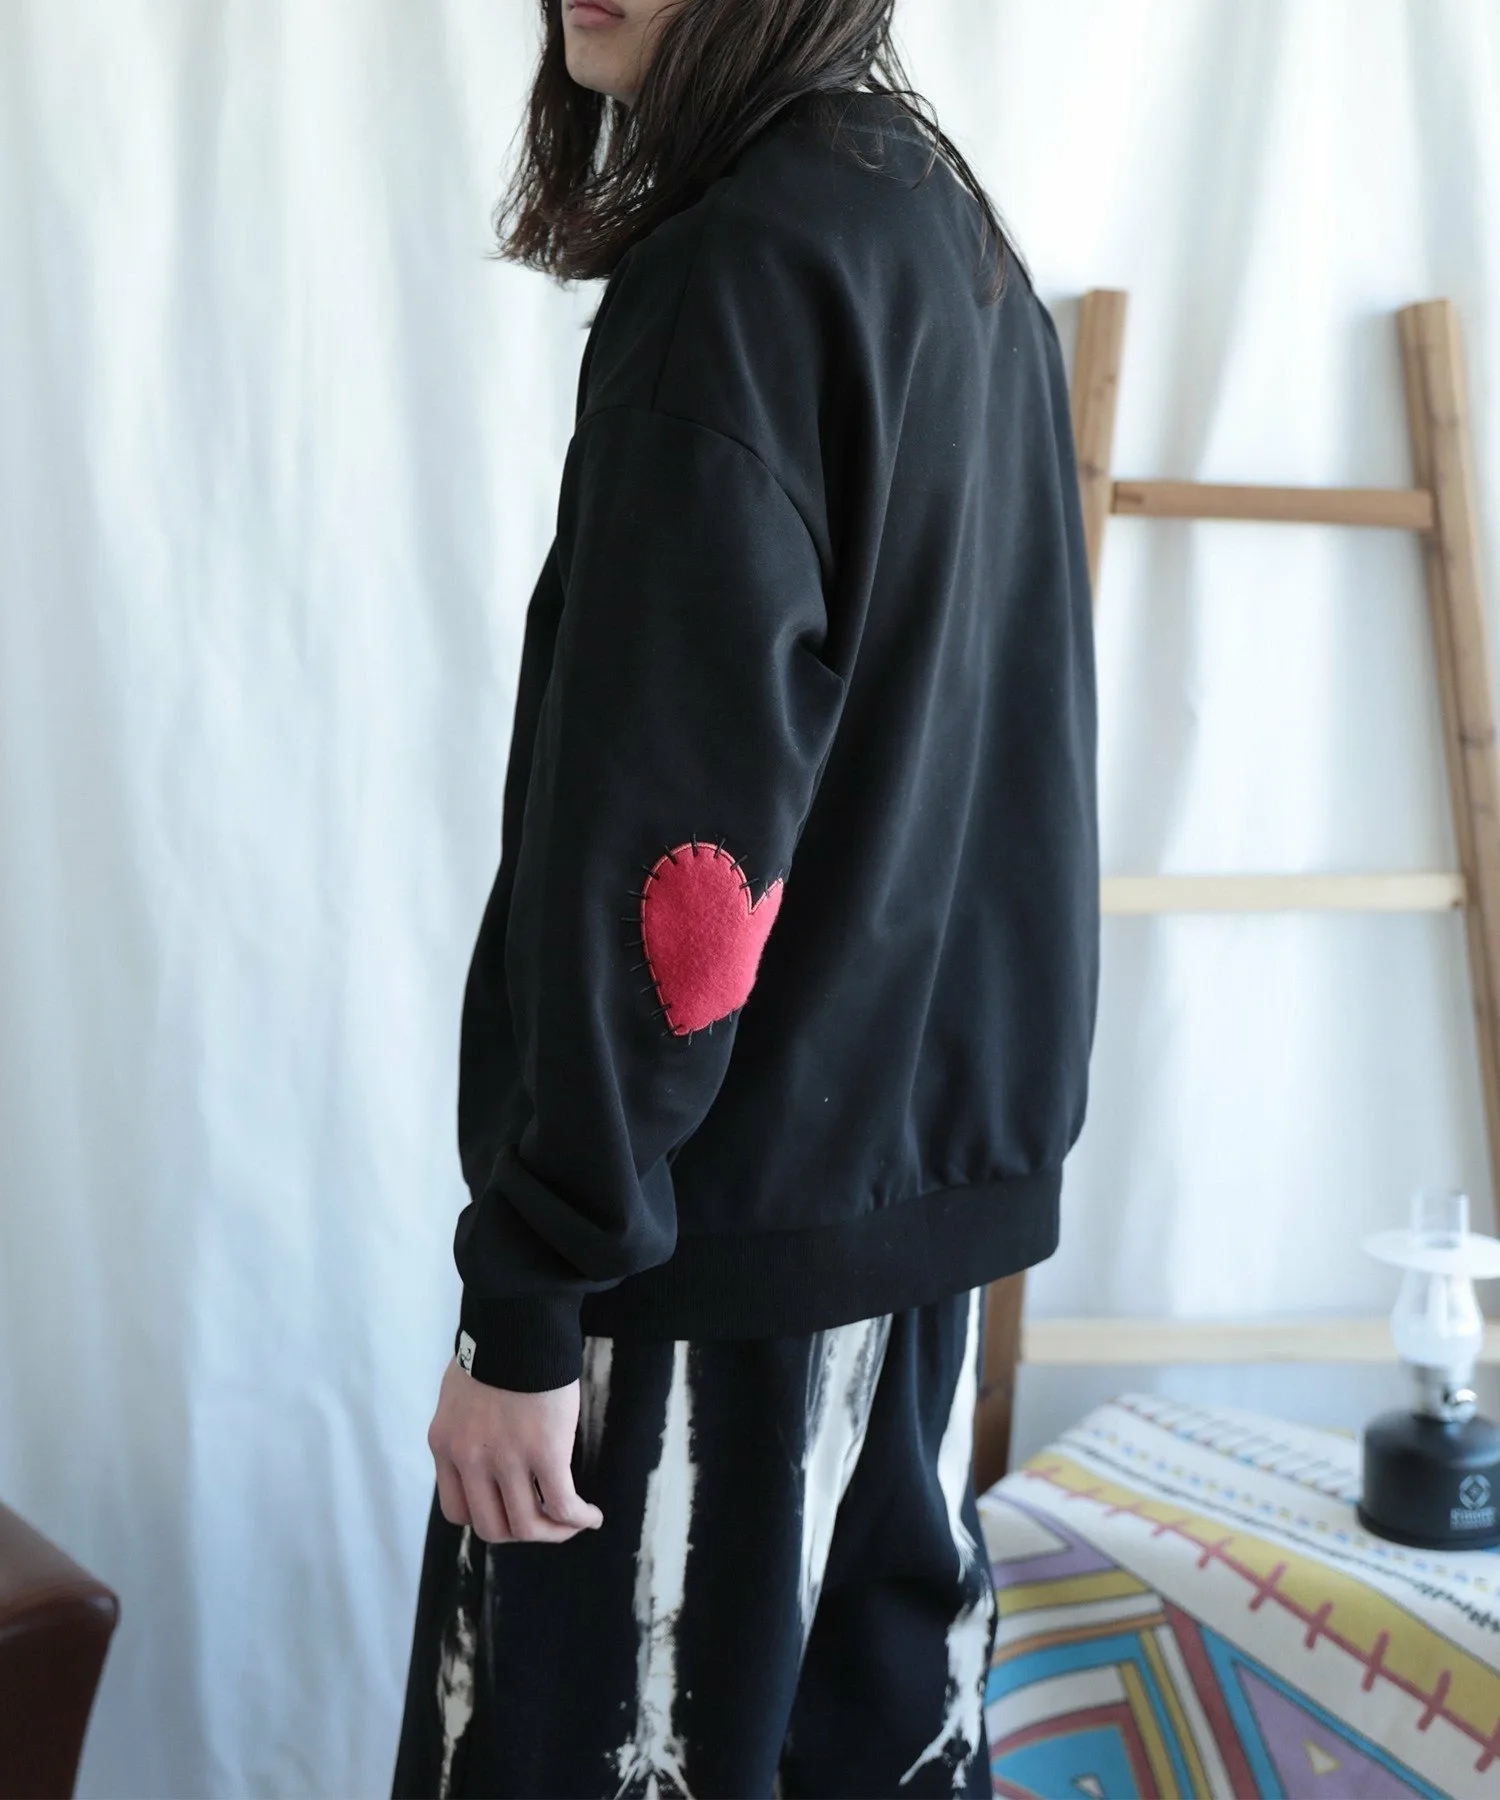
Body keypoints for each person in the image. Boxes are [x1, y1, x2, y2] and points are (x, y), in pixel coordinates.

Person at [391, 0, 1099, 1793]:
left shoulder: (736, 272)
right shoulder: (948, 232)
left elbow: (664, 839)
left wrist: (534, 1292)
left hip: (697, 1260)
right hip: (908, 1256)